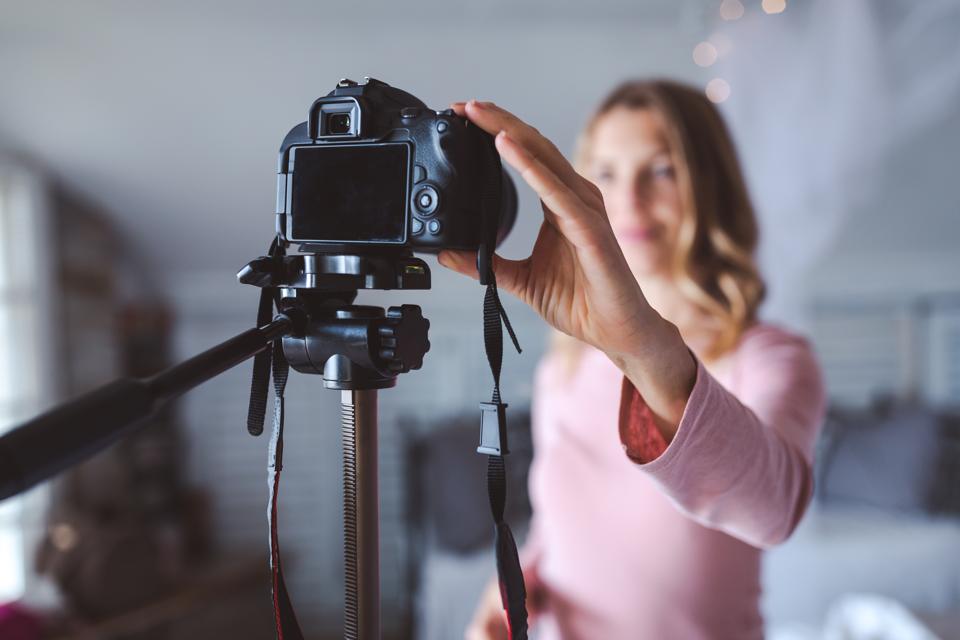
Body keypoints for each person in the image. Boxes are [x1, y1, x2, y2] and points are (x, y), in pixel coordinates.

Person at [437, 80, 827, 639]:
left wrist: (644, 348)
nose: (630, 200)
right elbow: (560, 526)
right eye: (608, 173)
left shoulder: (770, 359)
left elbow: (775, 509)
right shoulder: (564, 363)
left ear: (710, 185)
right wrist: (509, 594)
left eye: (662, 170)